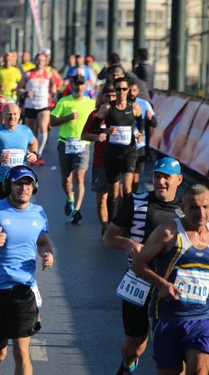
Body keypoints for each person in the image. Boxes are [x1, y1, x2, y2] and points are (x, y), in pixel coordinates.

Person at [0, 165, 54, 375]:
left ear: (34, 187)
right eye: (19, 183)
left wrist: (47, 255)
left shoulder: (39, 213)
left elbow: (43, 241)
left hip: (25, 289)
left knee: (22, 351)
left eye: (28, 184)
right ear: (9, 186)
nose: (23, 188)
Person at [104, 157, 183, 375]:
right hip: (137, 280)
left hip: (171, 285)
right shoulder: (136, 202)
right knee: (135, 344)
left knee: (177, 342)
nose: (161, 182)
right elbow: (108, 238)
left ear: (179, 180)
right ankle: (127, 365)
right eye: (157, 176)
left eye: (166, 177)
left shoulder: (185, 210)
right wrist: (127, 243)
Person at [132, 184, 209, 375]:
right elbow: (138, 264)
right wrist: (162, 284)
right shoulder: (168, 232)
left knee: (200, 370)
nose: (201, 213)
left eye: (206, 207)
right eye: (194, 207)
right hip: (167, 318)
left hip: (202, 318)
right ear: (183, 208)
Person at [93, 78, 144, 220]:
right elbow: (95, 126)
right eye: (118, 89)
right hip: (112, 154)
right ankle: (111, 223)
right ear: (114, 91)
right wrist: (106, 130)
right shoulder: (107, 108)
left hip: (129, 152)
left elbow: (141, 122)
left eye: (124, 89)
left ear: (128, 90)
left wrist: (140, 133)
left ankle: (127, 221)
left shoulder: (134, 107)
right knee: (113, 193)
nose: (121, 92)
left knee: (127, 189)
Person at [50, 74, 96, 224]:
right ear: (72, 85)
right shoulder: (64, 102)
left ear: (86, 86)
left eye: (82, 84)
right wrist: (68, 117)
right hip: (65, 143)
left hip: (83, 144)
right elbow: (52, 122)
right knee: (67, 179)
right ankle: (70, 197)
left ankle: (77, 209)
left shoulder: (91, 103)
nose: (79, 87)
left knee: (79, 176)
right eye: (76, 84)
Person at [0, 103, 38, 202]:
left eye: (15, 114)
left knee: (17, 212)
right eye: (9, 114)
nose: (12, 117)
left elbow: (34, 142)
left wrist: (34, 153)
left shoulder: (25, 130)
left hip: (19, 180)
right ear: (3, 116)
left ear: (19, 115)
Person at [81, 85, 116, 237]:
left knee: (116, 196)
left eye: (113, 96)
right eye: (107, 96)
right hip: (101, 160)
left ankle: (115, 226)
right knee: (102, 197)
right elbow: (84, 135)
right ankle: (105, 228)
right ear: (102, 97)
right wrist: (97, 137)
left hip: (118, 159)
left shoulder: (121, 114)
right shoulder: (95, 115)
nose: (110, 99)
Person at [17, 53, 56, 166]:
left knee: (43, 127)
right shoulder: (28, 74)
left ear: (45, 62)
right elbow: (18, 88)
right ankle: (31, 152)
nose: (40, 62)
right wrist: (25, 93)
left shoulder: (48, 74)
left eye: (42, 60)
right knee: (31, 131)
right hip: (30, 105)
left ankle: (39, 153)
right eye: (38, 60)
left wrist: (52, 91)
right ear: (34, 61)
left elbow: (54, 85)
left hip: (44, 105)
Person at [129, 79, 157, 193]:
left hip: (140, 144)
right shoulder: (121, 104)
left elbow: (154, 124)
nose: (131, 93)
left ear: (138, 91)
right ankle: (123, 199)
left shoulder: (144, 104)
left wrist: (150, 118)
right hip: (125, 144)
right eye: (129, 90)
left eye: (134, 90)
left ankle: (132, 198)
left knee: (135, 176)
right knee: (125, 175)